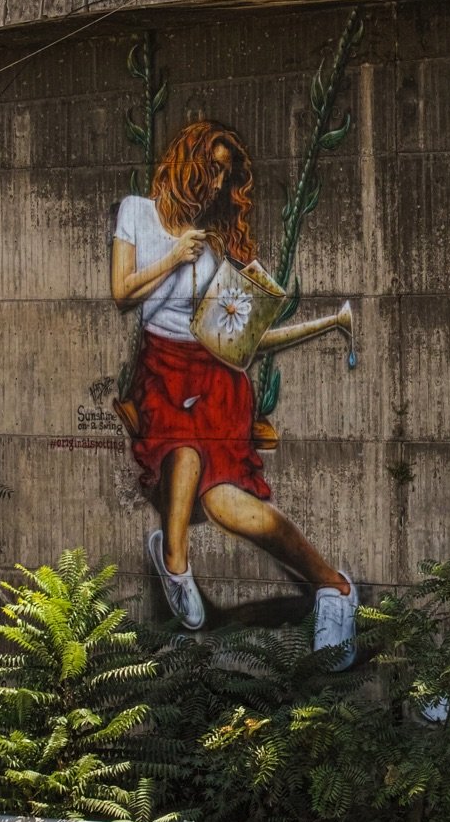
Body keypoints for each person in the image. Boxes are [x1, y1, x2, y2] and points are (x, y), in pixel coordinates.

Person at [110, 119, 358, 665]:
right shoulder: (137, 212)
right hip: (162, 371)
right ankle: (175, 559)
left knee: (225, 505)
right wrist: (174, 256)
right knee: (183, 451)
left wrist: (316, 325)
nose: (219, 183)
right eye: (213, 168)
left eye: (226, 174)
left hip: (216, 377)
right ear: (188, 161)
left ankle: (333, 587)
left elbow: (236, 340)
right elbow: (122, 292)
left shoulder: (215, 248)